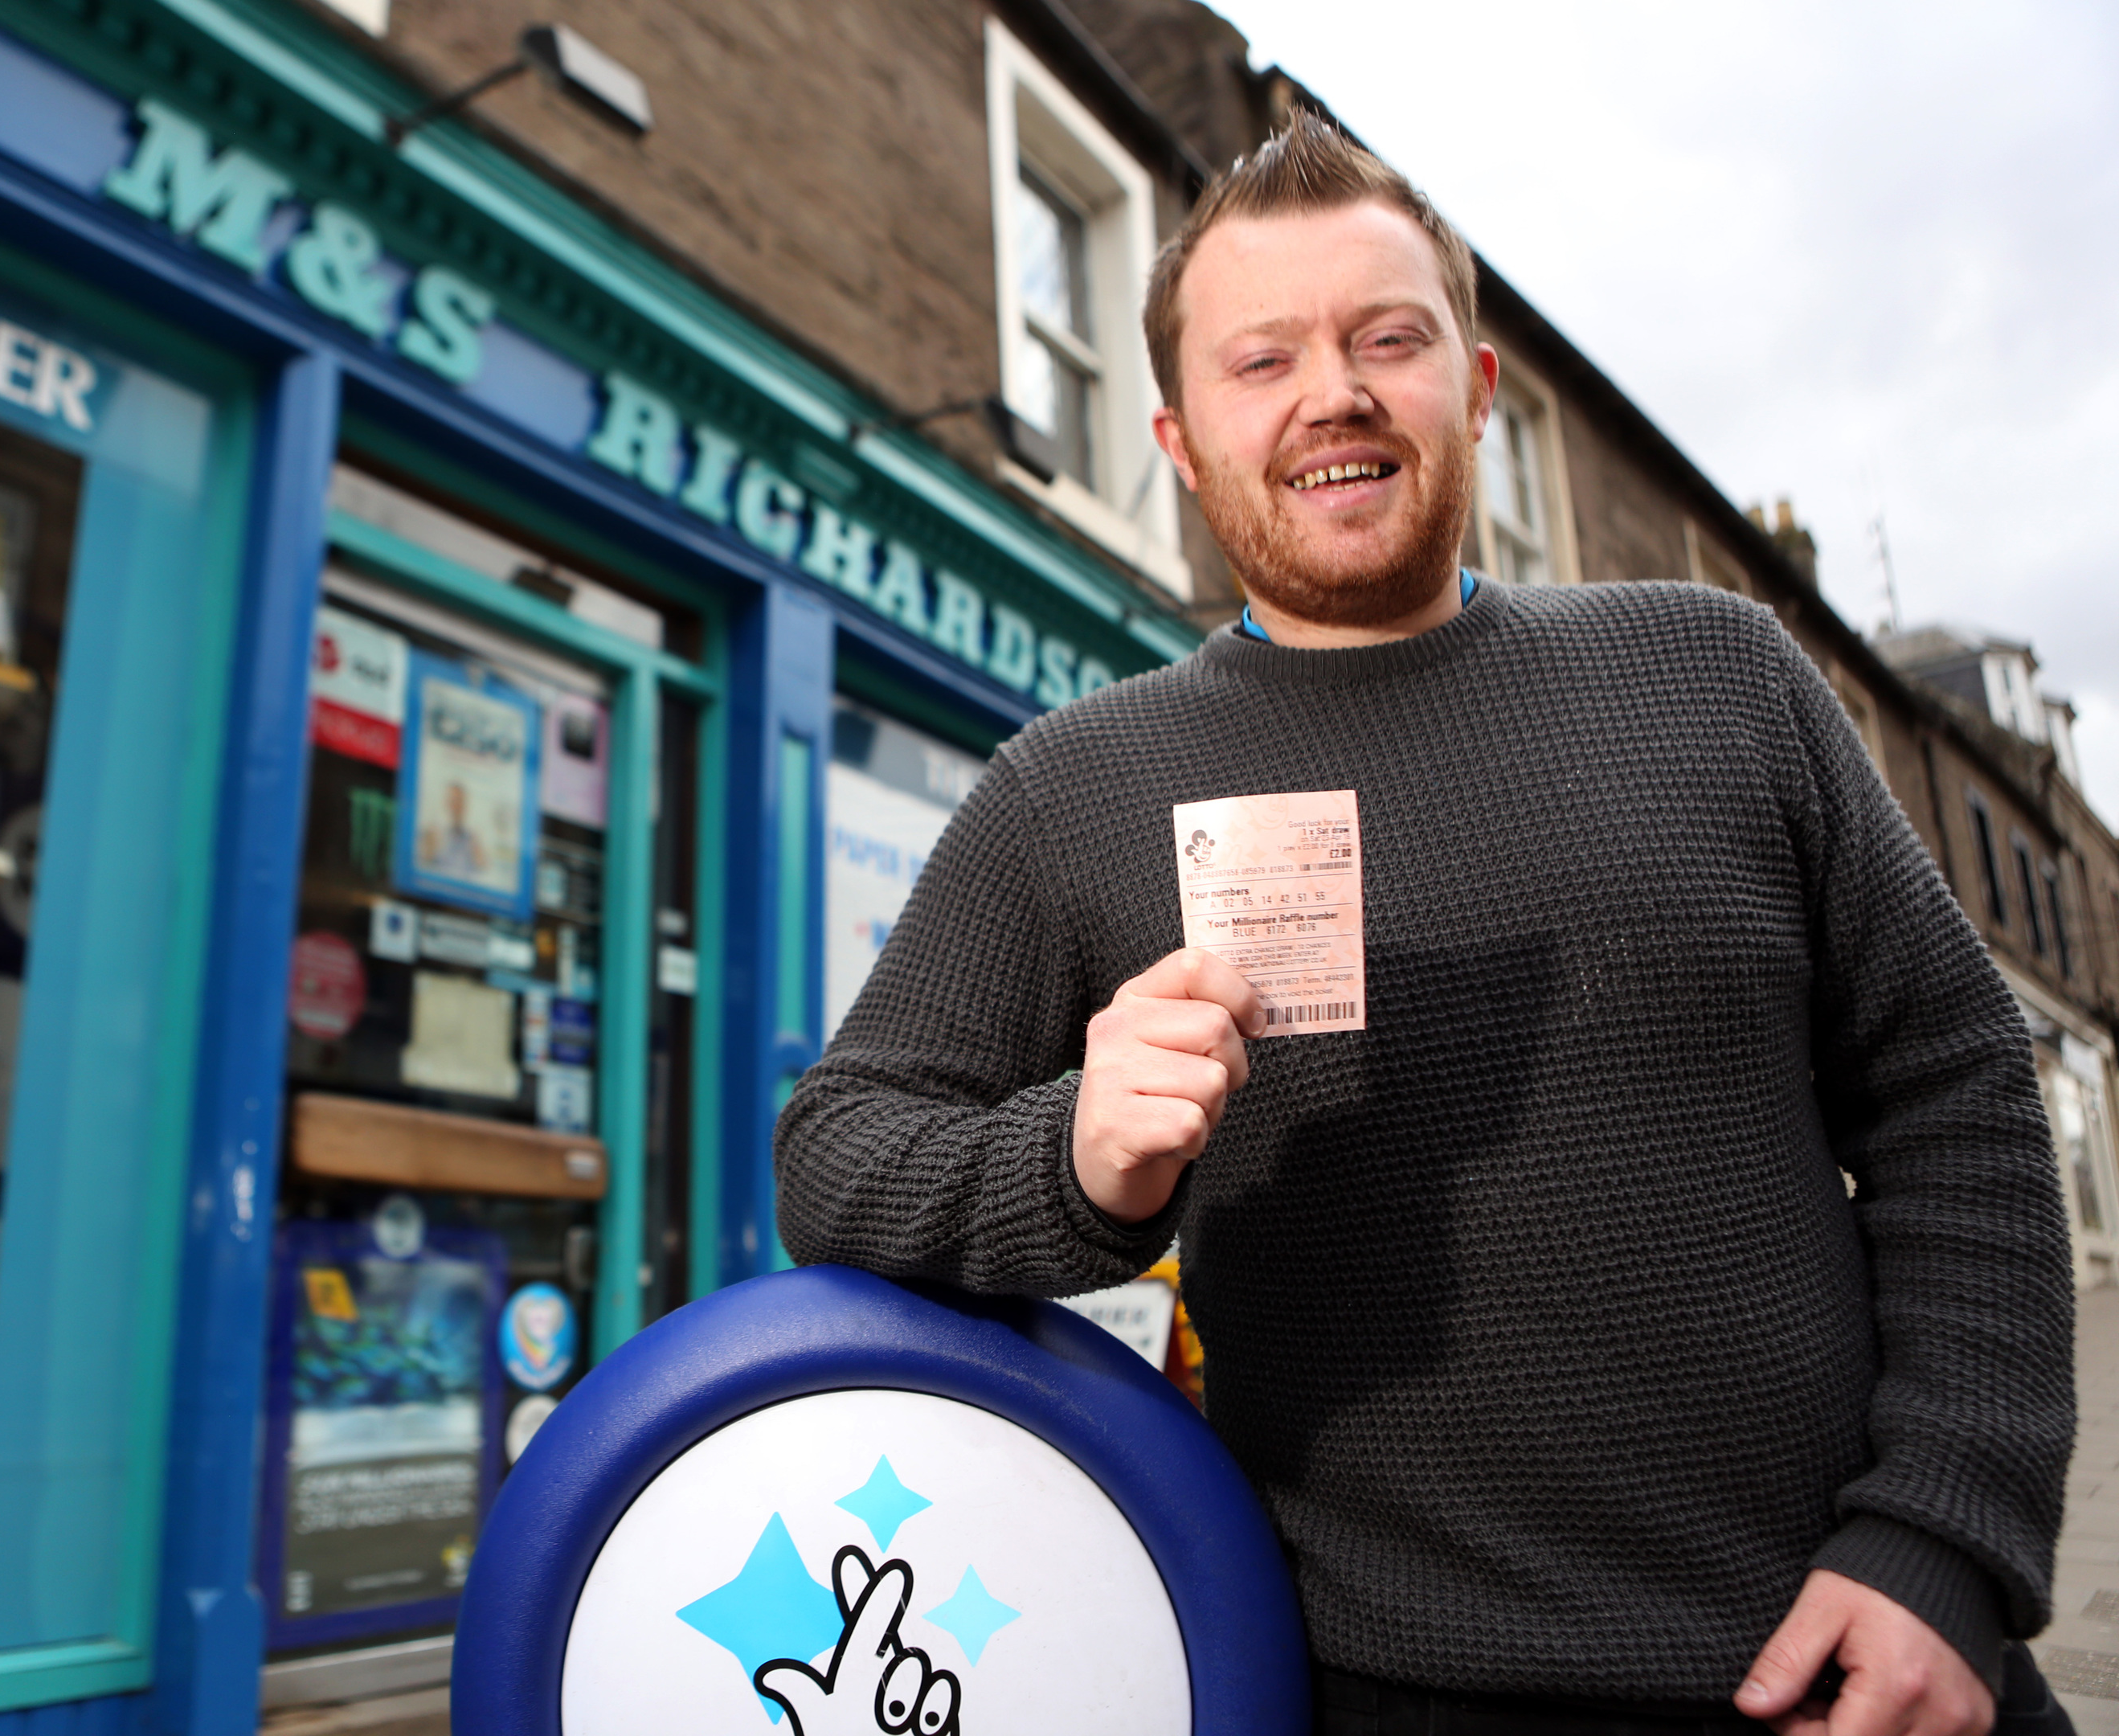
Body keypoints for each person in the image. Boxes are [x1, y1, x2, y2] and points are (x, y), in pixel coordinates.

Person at [774, 114, 2075, 1736]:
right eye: (1264, 360)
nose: (1334, 392)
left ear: (1475, 386)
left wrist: (1947, 1547)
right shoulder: (1072, 790)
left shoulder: (1720, 677)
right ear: (1180, 443)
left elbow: (1955, 1092)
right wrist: (1071, 1160)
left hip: (1866, 1673)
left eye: (1387, 339)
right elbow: (837, 1157)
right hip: (1369, 1695)